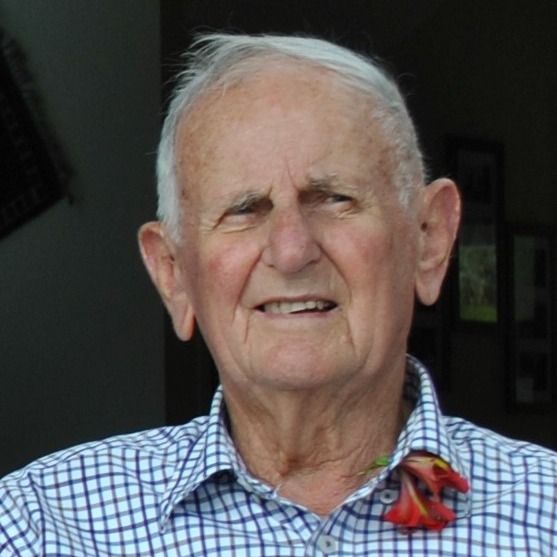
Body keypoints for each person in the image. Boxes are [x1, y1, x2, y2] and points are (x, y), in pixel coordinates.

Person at [1, 33, 555, 556]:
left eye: (334, 199)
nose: (291, 251)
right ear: (173, 274)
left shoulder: (545, 514)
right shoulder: (42, 527)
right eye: (244, 210)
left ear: (429, 239)